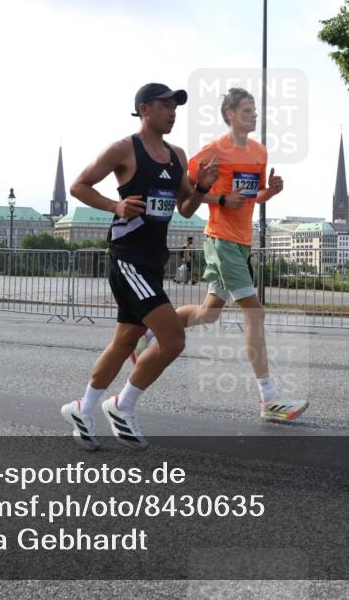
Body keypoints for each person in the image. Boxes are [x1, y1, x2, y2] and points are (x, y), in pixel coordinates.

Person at [132, 87, 308, 422]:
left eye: (255, 110)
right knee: (255, 314)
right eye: (246, 110)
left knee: (209, 313)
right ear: (230, 115)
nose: (254, 115)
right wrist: (221, 201)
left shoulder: (259, 151)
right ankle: (269, 398)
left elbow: (251, 195)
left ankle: (150, 331)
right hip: (221, 239)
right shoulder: (214, 150)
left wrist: (269, 192)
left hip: (242, 241)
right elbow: (187, 190)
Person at [60, 83, 219, 451]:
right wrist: (115, 207)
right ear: (145, 109)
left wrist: (200, 187)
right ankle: (122, 404)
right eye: (165, 106)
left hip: (151, 260)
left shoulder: (177, 155)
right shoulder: (123, 149)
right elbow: (79, 186)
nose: (173, 112)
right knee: (173, 339)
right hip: (127, 257)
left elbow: (186, 208)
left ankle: (83, 409)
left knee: (125, 340)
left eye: (175, 106)